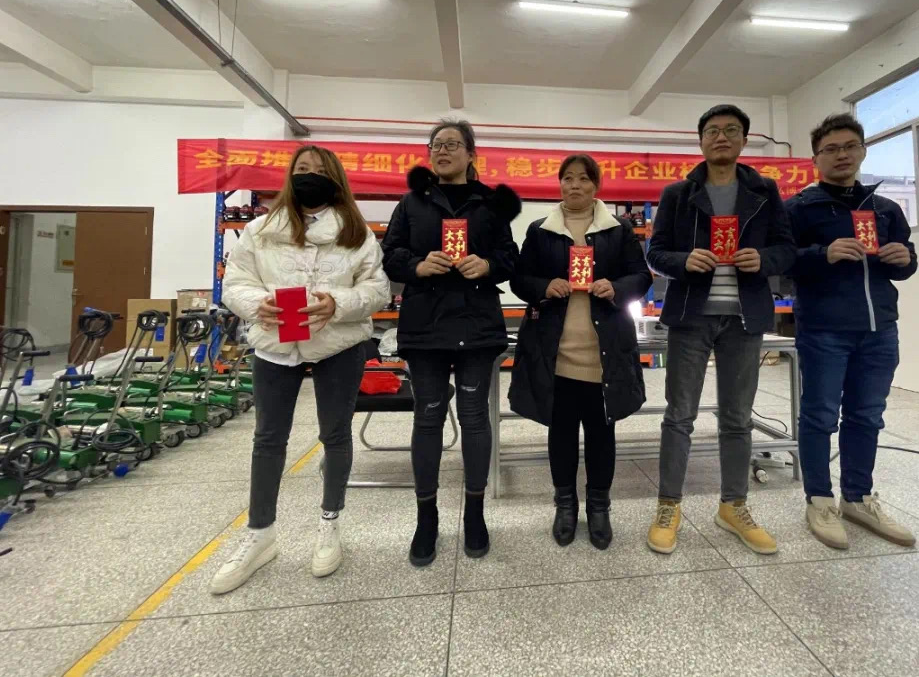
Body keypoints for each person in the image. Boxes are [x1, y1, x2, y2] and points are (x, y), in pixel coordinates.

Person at [212, 145, 390, 595]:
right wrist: (257, 304)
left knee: (335, 434)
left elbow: (378, 289)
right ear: (290, 176)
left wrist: (339, 303)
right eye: (303, 169)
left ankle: (330, 524)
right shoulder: (260, 230)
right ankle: (260, 535)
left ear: (336, 180)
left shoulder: (355, 233)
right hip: (275, 342)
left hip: (338, 344)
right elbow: (235, 282)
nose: (310, 176)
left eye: (320, 171)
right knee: (268, 438)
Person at [645, 104, 795, 557]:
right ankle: (668, 506)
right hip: (691, 315)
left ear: (745, 140)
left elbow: (786, 249)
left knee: (737, 417)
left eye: (731, 130)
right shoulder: (679, 193)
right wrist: (683, 260)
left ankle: (733, 506)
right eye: (712, 131)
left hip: (744, 318)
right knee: (679, 415)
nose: (721, 137)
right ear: (701, 141)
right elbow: (656, 252)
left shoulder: (764, 191)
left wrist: (763, 260)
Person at [381, 119, 521, 567]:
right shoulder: (411, 203)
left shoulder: (491, 203)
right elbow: (390, 255)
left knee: (475, 418)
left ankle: (475, 513)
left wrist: (488, 265)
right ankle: (427, 518)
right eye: (436, 145)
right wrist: (418, 266)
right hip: (426, 326)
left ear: (471, 154)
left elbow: (510, 257)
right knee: (428, 418)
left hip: (477, 325)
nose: (442, 151)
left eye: (452, 144)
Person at [785, 113, 918, 550]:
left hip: (879, 329)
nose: (841, 155)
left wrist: (905, 259)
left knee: (867, 415)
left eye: (849, 147)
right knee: (820, 415)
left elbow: (906, 264)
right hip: (824, 328)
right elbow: (780, 263)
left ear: (862, 151)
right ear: (815, 158)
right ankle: (819, 501)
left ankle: (858, 498)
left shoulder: (885, 209)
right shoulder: (799, 209)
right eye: (831, 149)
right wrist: (822, 254)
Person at [509, 155, 652, 550]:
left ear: (595, 186)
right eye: (568, 178)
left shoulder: (618, 230)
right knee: (561, 433)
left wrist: (617, 288)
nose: (575, 186)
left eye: (583, 179)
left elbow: (641, 276)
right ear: (559, 184)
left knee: (602, 433)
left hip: (603, 352)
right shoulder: (541, 230)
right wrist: (543, 286)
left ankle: (600, 507)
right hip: (555, 352)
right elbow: (519, 278)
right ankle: (565, 505)